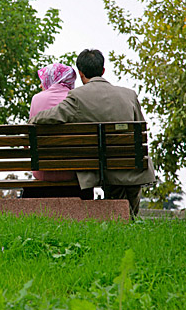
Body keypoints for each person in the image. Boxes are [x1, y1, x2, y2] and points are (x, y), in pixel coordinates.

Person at [29, 49, 155, 216]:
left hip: (101, 171)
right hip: (132, 167)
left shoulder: (77, 97)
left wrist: (33, 119)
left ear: (80, 73)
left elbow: (49, 117)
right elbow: (139, 130)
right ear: (103, 70)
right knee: (128, 213)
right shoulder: (129, 95)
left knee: (119, 209)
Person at [23, 63, 93, 199]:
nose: (40, 85)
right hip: (72, 172)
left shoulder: (37, 99)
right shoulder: (77, 99)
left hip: (43, 172)